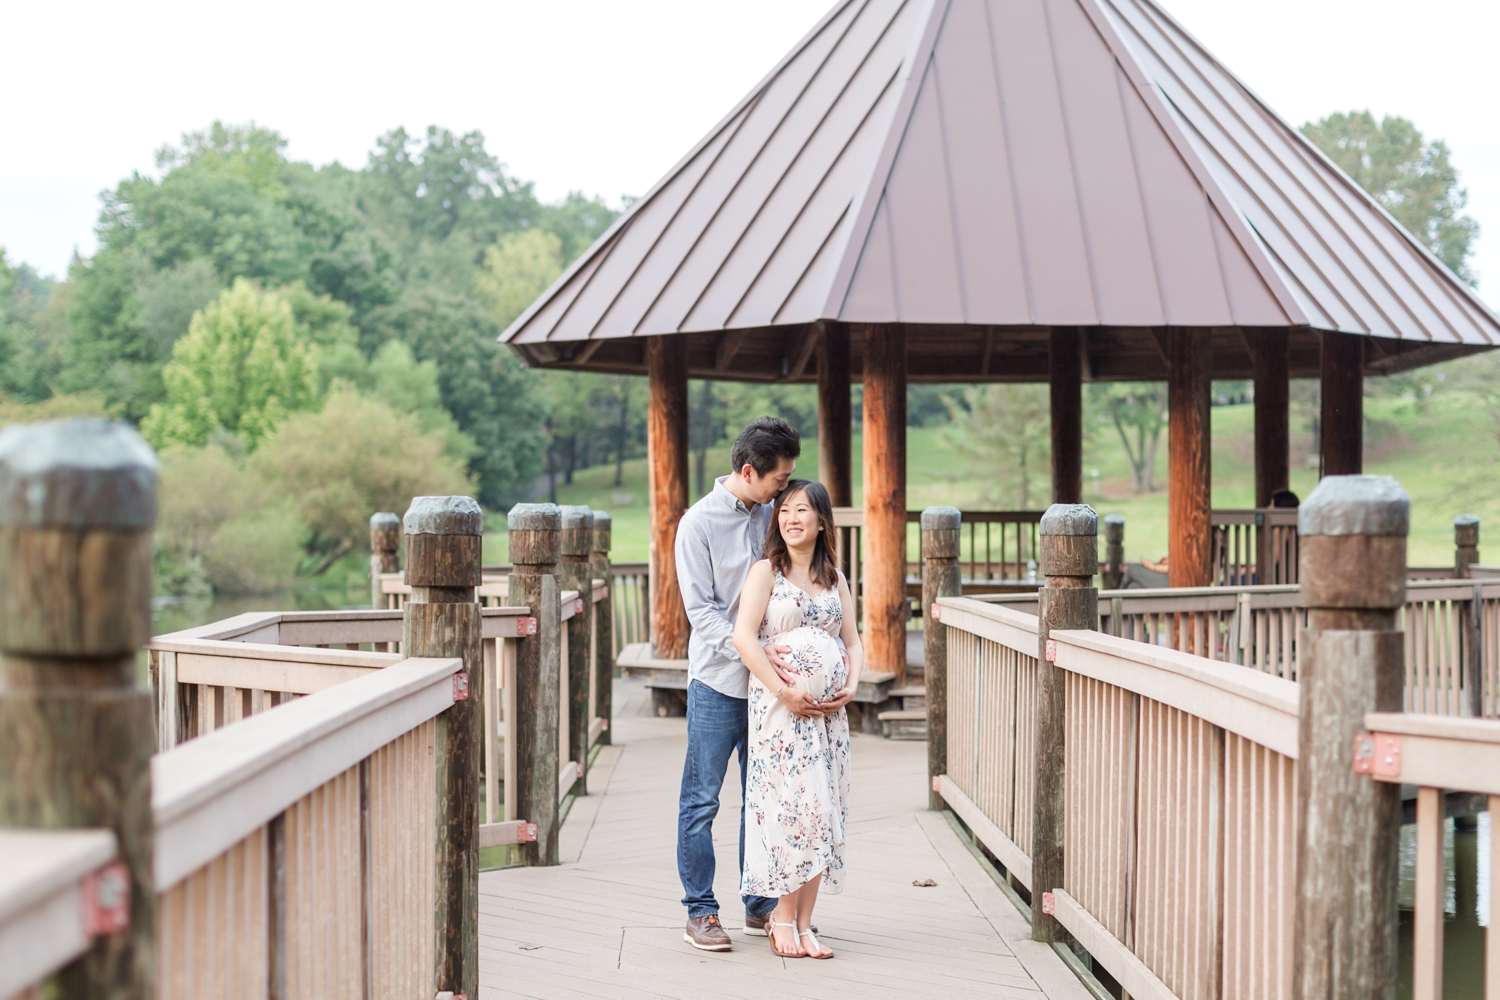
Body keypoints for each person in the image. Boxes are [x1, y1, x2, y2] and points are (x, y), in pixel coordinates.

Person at [674, 416, 815, 952]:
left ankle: (759, 903)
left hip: (770, 686)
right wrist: (756, 655)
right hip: (718, 684)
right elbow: (701, 613)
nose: (786, 490)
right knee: (701, 800)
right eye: (780, 480)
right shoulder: (698, 524)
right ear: (751, 471)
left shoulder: (770, 515)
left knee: (764, 796)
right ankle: (701, 911)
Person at [733, 479, 863, 960]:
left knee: (823, 810)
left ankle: (806, 924)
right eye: (783, 509)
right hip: (780, 714)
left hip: (829, 719)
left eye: (801, 509)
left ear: (822, 520)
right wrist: (785, 690)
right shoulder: (766, 572)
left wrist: (852, 682)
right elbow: (744, 638)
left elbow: (852, 640)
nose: (790, 518)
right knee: (794, 810)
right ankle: (780, 917)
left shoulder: (835, 578)